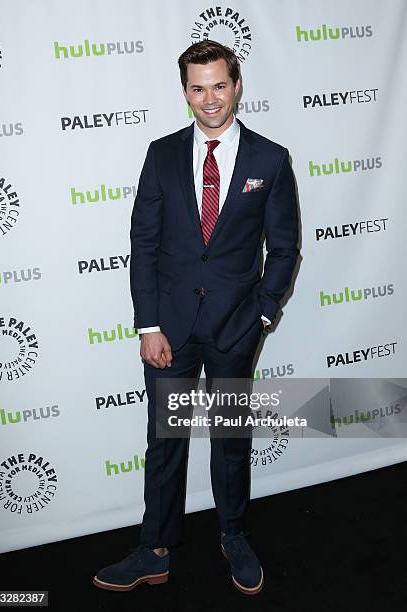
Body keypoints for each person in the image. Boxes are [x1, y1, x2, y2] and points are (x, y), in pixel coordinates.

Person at [93, 40, 299, 596]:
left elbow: (284, 249)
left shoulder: (269, 159)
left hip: (235, 328)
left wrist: (260, 313)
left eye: (219, 85)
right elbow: (144, 243)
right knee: (165, 440)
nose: (210, 99)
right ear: (185, 92)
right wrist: (147, 325)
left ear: (237, 85)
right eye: (198, 87)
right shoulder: (161, 154)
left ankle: (233, 535)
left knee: (231, 439)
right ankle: (154, 548)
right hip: (170, 331)